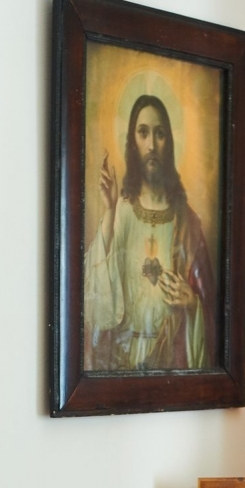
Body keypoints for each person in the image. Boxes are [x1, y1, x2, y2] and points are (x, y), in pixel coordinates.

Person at [84, 94, 216, 372]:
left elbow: (213, 310)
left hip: (171, 361)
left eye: (160, 134)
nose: (152, 145)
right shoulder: (120, 211)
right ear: (133, 141)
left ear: (169, 142)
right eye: (143, 133)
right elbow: (95, 298)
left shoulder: (188, 223)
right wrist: (109, 212)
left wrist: (193, 304)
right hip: (120, 364)